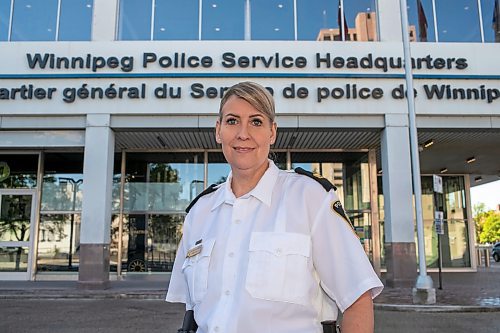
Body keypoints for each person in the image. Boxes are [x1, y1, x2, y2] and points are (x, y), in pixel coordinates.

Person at [166, 81, 383, 333]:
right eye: (232, 121)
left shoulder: (310, 198)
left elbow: (357, 300)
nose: (242, 133)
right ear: (218, 130)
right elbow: (197, 312)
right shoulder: (200, 212)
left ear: (272, 132)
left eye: (256, 122)